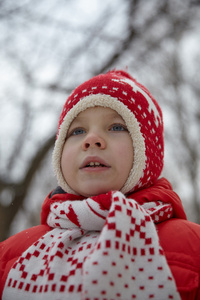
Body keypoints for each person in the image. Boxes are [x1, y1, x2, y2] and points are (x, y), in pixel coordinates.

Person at [0, 70, 200, 300]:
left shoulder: (193, 247)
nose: (91, 139)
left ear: (148, 152)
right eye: (77, 131)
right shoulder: (9, 256)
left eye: (116, 127)